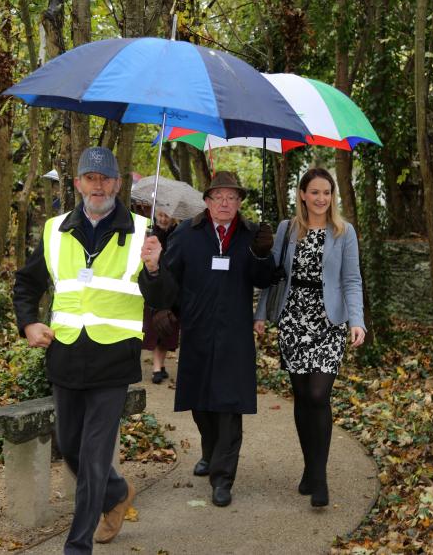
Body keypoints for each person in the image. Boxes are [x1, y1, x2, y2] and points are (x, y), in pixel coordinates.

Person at [13, 146, 165, 554]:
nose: (98, 186)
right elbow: (27, 283)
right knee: (71, 446)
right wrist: (29, 322)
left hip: (114, 358)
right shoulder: (54, 229)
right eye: (89, 178)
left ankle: (77, 546)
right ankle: (116, 493)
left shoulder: (143, 231)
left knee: (95, 455)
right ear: (78, 183)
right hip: (65, 355)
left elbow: (166, 299)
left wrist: (155, 268)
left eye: (105, 178)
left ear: (117, 183)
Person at [150, 170, 275, 508]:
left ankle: (223, 477)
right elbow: (168, 276)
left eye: (232, 197)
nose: (225, 202)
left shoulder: (252, 235)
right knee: (201, 403)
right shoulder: (188, 235)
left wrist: (264, 254)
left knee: (229, 406)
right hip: (198, 331)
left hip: (235, 333)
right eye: (218, 196)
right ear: (206, 201)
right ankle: (209, 451)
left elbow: (266, 278)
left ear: (239, 203)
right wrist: (162, 308)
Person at [254, 167, 365, 508]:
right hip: (293, 318)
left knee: (319, 393)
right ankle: (309, 468)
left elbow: (351, 280)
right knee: (302, 395)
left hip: (328, 320)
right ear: (302, 194)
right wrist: (259, 316)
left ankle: (319, 477)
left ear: (332, 197)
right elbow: (272, 277)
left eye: (326, 193)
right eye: (314, 192)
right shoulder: (287, 230)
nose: (321, 198)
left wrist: (357, 321)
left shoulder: (344, 233)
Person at [141, 210, 180, 384]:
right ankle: (157, 368)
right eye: (160, 216)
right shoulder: (150, 233)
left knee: (167, 330)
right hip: (155, 285)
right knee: (155, 327)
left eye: (166, 216)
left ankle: (161, 365)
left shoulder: (179, 234)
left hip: (173, 287)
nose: (163, 219)